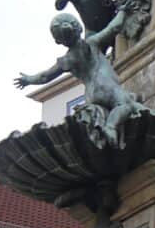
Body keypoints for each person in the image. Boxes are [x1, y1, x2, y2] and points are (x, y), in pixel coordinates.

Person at [11, 12, 135, 141]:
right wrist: (123, 11)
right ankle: (111, 126)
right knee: (125, 105)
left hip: (91, 95)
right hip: (106, 86)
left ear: (59, 41)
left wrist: (28, 80)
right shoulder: (91, 43)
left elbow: (45, 76)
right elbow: (113, 27)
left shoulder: (67, 59)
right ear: (78, 28)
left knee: (129, 102)